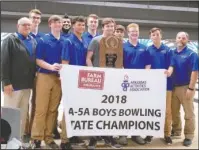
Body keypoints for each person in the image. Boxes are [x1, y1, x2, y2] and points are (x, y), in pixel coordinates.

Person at [86, 17, 122, 149]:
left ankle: (109, 136)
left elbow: (119, 60)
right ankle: (93, 138)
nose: (109, 28)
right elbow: (88, 59)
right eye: (107, 26)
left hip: (113, 80)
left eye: (111, 26)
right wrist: (93, 74)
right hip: (99, 80)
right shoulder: (95, 41)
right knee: (96, 110)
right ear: (103, 28)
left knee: (110, 110)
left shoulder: (118, 42)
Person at [1, 17, 37, 142]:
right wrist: (6, 81)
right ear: (18, 26)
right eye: (24, 25)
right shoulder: (10, 40)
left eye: (29, 25)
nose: (27, 27)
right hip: (13, 86)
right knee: (9, 115)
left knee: (22, 116)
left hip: (27, 85)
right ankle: (7, 141)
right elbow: (4, 61)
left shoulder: (32, 40)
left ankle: (18, 141)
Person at [31, 15, 64, 149]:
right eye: (55, 22)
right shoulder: (43, 40)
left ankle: (48, 137)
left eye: (59, 22)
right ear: (50, 24)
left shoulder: (65, 41)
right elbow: (38, 60)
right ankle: (36, 138)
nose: (57, 24)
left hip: (59, 79)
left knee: (53, 110)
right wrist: (51, 66)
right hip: (44, 76)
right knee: (41, 109)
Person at [60, 16, 88, 150]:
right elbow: (64, 62)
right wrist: (66, 80)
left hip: (82, 80)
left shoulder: (84, 41)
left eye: (83, 25)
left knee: (77, 110)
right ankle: (64, 140)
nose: (82, 27)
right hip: (72, 79)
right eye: (79, 25)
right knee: (68, 109)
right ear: (72, 25)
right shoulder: (68, 41)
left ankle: (73, 135)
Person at [145, 27, 174, 145]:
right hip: (152, 86)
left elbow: (171, 65)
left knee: (167, 110)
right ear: (150, 37)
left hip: (166, 85)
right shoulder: (148, 50)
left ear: (161, 35)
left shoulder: (168, 50)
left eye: (157, 34)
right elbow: (147, 66)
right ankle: (150, 133)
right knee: (151, 110)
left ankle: (167, 133)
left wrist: (170, 71)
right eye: (153, 35)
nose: (155, 36)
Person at [123, 23, 151, 145]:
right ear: (128, 33)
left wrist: (144, 76)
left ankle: (136, 134)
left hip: (139, 84)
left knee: (137, 110)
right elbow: (121, 64)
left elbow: (148, 64)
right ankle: (123, 134)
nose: (134, 33)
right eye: (132, 31)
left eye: (136, 31)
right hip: (126, 83)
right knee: (124, 110)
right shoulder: (123, 47)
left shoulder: (144, 47)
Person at [171, 31, 198, 147]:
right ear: (175, 39)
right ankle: (176, 131)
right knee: (174, 112)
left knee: (188, 113)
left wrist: (191, 88)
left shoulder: (192, 54)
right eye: (179, 37)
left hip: (186, 87)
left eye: (183, 38)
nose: (181, 39)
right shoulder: (172, 53)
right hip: (172, 87)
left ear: (187, 40)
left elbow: (195, 71)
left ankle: (189, 135)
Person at [24, 8, 45, 141]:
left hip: (39, 74)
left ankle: (33, 130)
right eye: (33, 18)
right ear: (29, 19)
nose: (35, 20)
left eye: (37, 18)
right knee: (24, 102)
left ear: (40, 20)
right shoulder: (23, 35)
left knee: (36, 103)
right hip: (25, 74)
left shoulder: (43, 37)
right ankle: (25, 130)